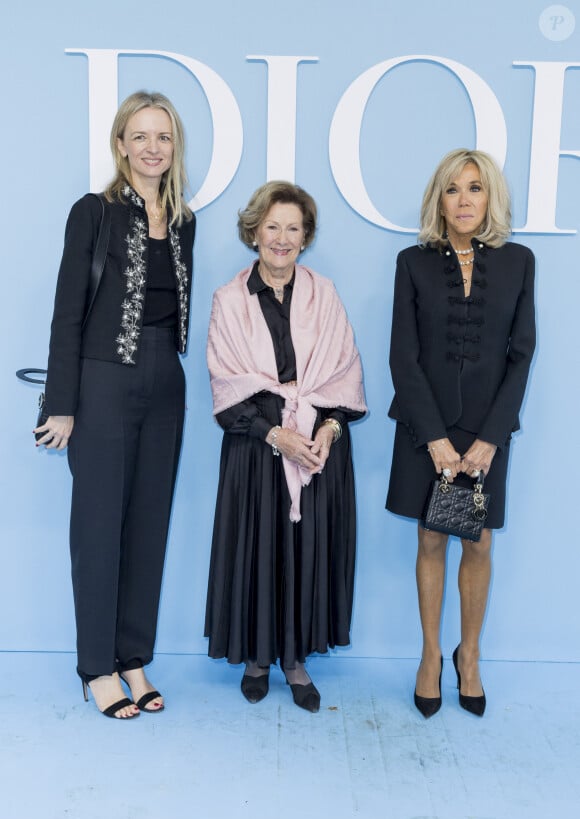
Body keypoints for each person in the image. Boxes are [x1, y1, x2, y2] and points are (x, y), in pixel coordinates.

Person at [37, 91, 196, 718]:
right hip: (102, 380)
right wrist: (62, 403)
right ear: (120, 144)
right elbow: (66, 312)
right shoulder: (93, 212)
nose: (152, 147)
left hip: (167, 380)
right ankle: (96, 666)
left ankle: (134, 657)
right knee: (98, 526)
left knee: (148, 524)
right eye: (140, 135)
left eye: (163, 136)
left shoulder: (185, 218)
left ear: (173, 145)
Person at [206, 181, 367, 712]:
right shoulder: (229, 300)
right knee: (257, 551)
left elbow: (343, 378)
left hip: (319, 455)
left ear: (306, 237)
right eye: (272, 226)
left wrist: (325, 433)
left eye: (293, 228)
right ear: (253, 232)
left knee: (306, 555)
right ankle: (255, 659)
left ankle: (295, 662)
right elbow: (226, 389)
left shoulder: (326, 295)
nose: (282, 238)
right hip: (256, 450)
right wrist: (277, 436)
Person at [386, 149, 535, 718]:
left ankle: (467, 655)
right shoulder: (412, 262)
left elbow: (521, 355)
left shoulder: (519, 262)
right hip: (428, 428)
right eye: (453, 189)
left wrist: (491, 438)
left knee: (478, 540)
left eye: (475, 188)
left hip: (486, 432)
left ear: (489, 196)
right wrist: (435, 439)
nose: (464, 199)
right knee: (429, 537)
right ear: (439, 200)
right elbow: (404, 355)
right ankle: (429, 657)